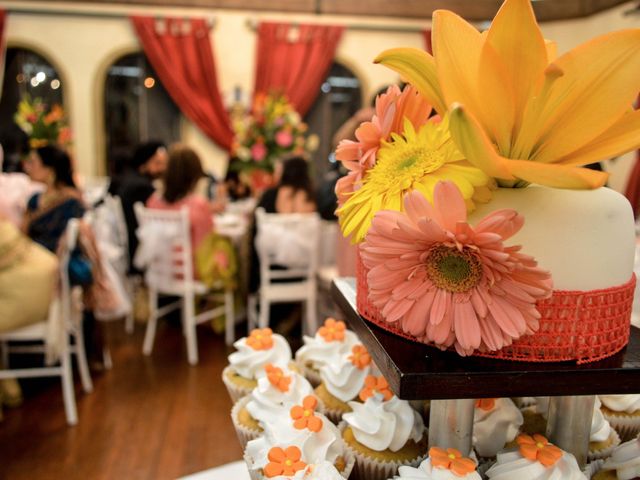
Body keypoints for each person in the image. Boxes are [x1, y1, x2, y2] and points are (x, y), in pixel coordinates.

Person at [146, 144, 215, 264]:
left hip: (160, 270)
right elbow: (206, 250)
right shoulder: (198, 205)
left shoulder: (153, 202)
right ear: (194, 176)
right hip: (192, 273)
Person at [113, 141, 168, 270]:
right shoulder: (141, 187)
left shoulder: (124, 177)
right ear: (144, 164)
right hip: (137, 248)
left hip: (124, 244)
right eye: (157, 163)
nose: (162, 169)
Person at [22, 146, 85, 252]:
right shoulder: (34, 199)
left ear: (50, 169)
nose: (27, 168)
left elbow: (69, 242)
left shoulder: (72, 201)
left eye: (32, 162)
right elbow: (23, 235)